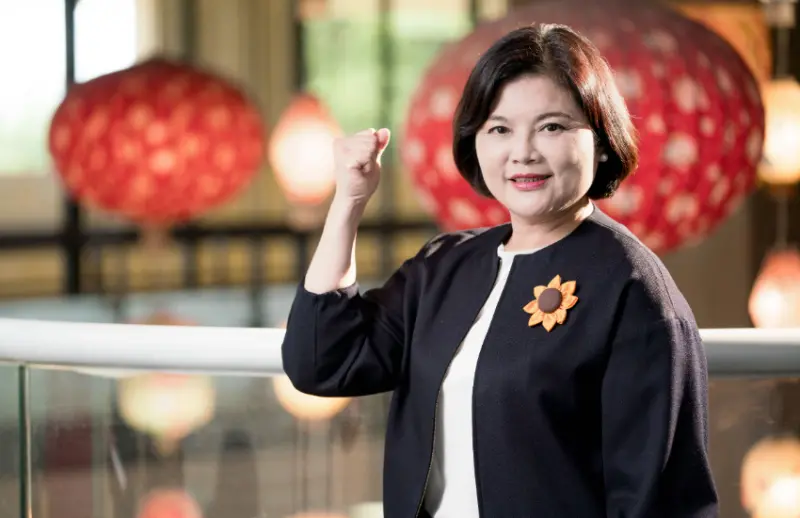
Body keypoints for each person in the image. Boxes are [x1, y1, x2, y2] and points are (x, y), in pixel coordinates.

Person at [282, 23, 718, 518]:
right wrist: (349, 202)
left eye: (552, 127)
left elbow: (656, 501)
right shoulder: (446, 266)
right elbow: (322, 363)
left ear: (600, 140)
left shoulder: (632, 289)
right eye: (500, 129)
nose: (523, 152)